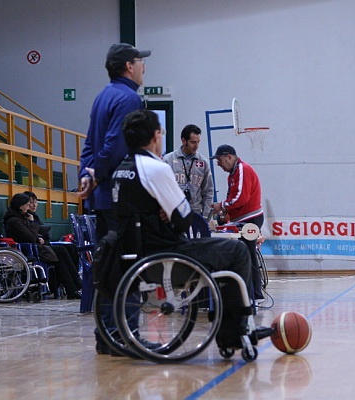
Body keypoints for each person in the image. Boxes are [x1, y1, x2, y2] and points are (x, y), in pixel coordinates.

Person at [112, 109, 273, 349]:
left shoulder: (120, 169)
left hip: (135, 253)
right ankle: (233, 330)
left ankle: (229, 324)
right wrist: (172, 211)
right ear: (155, 136)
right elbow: (184, 219)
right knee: (237, 251)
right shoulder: (157, 167)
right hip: (168, 253)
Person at [76, 43, 151, 352]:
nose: (144, 66)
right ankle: (125, 335)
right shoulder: (130, 98)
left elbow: (90, 144)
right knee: (129, 267)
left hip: (102, 199)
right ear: (128, 67)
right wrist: (96, 175)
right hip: (122, 197)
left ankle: (107, 335)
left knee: (109, 268)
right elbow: (115, 145)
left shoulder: (102, 96)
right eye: (140, 61)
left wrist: (86, 174)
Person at [210, 144, 265, 303]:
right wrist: (225, 213)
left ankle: (255, 294)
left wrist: (221, 205)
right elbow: (233, 200)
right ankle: (248, 293)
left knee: (248, 256)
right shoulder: (232, 175)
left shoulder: (242, 169)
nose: (219, 164)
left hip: (250, 219)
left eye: (220, 160)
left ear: (229, 157)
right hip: (241, 219)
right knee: (244, 255)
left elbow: (241, 198)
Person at [3, 193, 82, 299]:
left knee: (64, 252)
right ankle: (76, 285)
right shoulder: (14, 221)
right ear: (21, 206)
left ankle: (73, 288)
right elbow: (30, 237)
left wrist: (38, 237)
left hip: (35, 247)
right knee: (61, 251)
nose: (29, 207)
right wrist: (32, 223)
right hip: (28, 250)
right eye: (27, 204)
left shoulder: (22, 218)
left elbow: (32, 234)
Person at [163, 124, 214, 219]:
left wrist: (206, 216)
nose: (196, 146)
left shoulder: (203, 162)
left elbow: (208, 192)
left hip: (195, 213)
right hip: (173, 212)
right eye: (193, 142)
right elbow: (162, 189)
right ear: (184, 141)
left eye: (198, 142)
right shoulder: (168, 160)